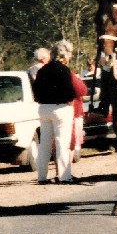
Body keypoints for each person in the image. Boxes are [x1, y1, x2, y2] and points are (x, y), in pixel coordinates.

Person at [34, 39, 83, 185]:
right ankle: (64, 176)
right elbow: (70, 91)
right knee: (62, 143)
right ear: (65, 55)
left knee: (44, 144)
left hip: (43, 108)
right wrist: (69, 99)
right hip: (61, 108)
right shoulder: (64, 70)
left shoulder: (42, 70)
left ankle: (41, 177)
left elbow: (36, 90)